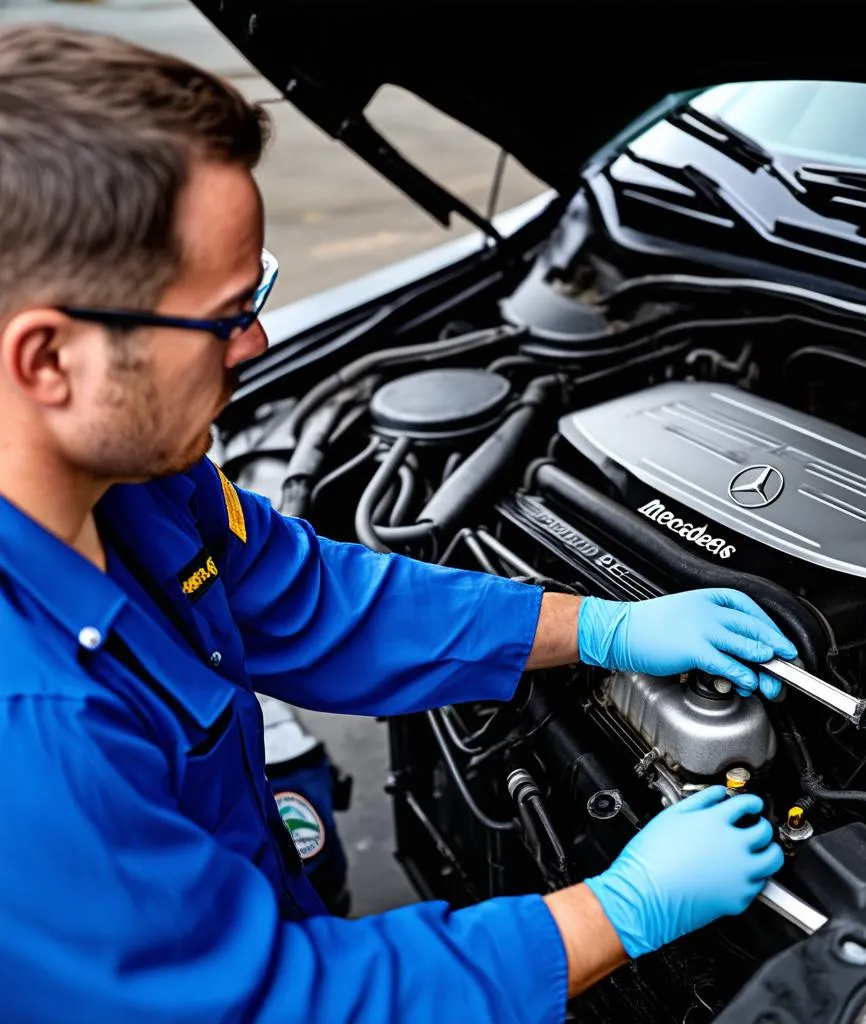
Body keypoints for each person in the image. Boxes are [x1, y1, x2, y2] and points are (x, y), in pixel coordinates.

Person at [0, 24, 796, 1024]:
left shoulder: (139, 482)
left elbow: (313, 599)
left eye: (261, 292)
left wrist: (600, 626)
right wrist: (616, 913)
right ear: (48, 361)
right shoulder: (30, 737)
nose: (256, 343)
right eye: (226, 313)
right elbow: (277, 1006)